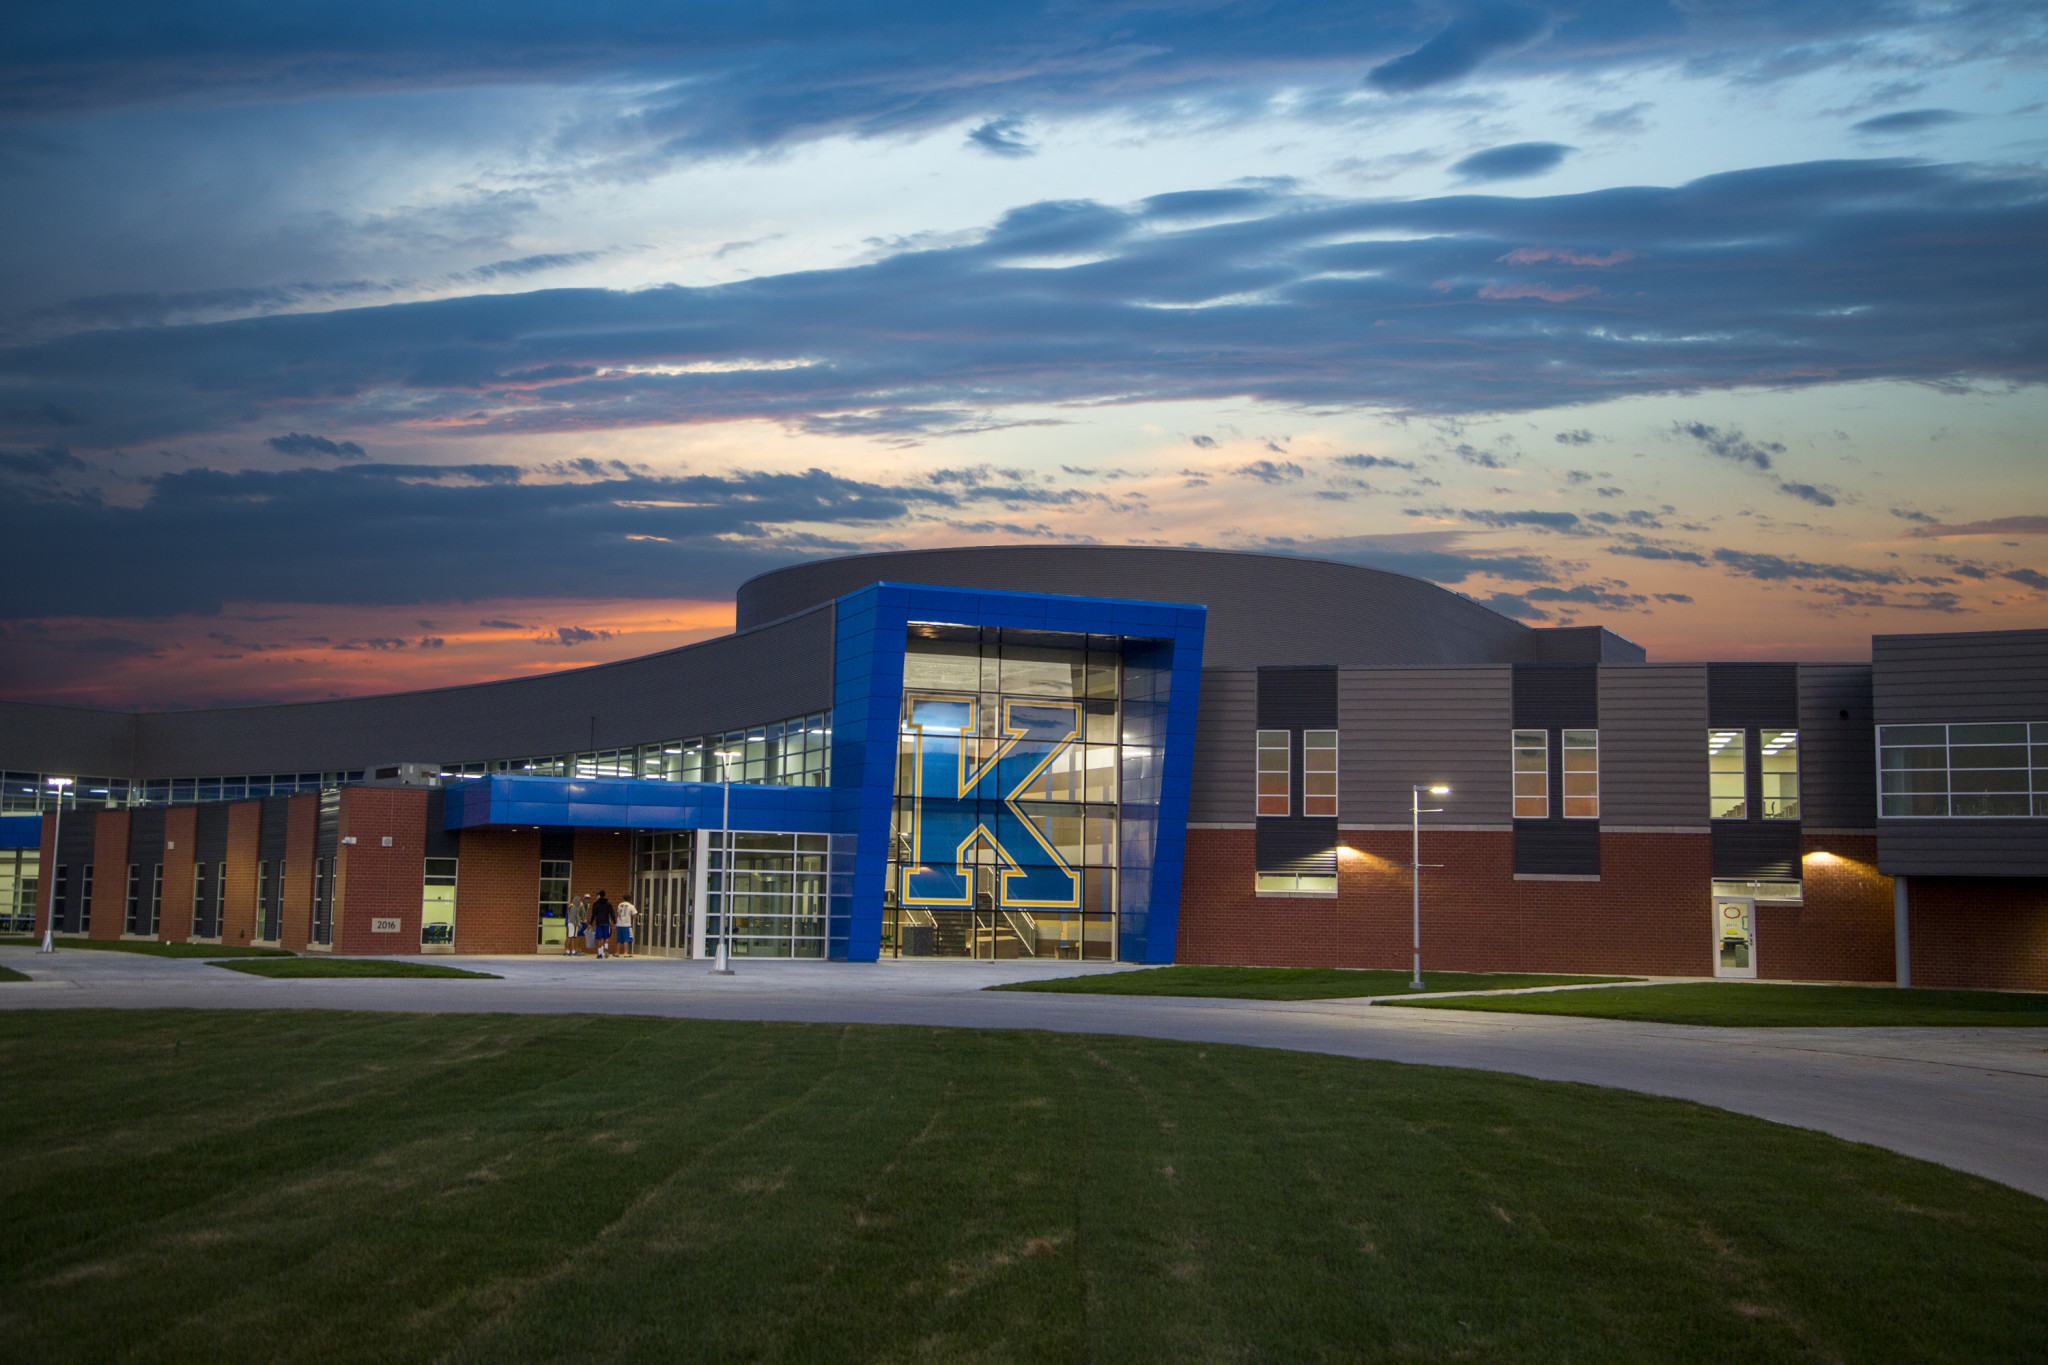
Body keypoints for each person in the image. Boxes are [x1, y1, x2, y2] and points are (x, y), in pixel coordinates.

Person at [590, 889, 616, 959]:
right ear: (604, 895)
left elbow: (593, 914)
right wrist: (614, 921)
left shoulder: (596, 904)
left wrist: (591, 922)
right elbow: (612, 913)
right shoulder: (608, 904)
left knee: (599, 938)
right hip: (606, 923)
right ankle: (606, 948)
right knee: (606, 937)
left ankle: (599, 954)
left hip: (599, 923)